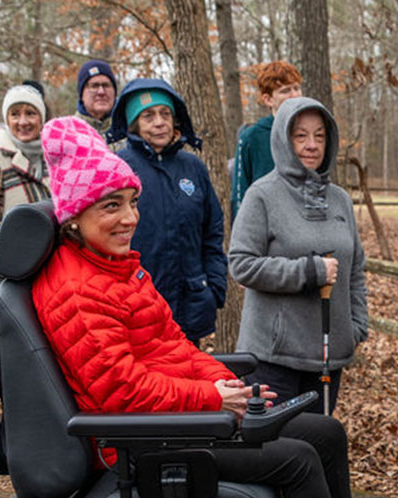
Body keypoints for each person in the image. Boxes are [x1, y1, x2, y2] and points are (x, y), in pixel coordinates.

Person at [32, 116, 398, 498]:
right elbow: (119, 392)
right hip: (142, 442)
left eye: (131, 201)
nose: (130, 218)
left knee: (324, 432)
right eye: (112, 206)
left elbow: (174, 345)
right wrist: (209, 398)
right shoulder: (77, 289)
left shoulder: (116, 267)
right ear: (74, 216)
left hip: (180, 416)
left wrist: (228, 387)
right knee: (297, 459)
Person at [229, 97, 368, 415]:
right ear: (283, 139)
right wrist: (308, 273)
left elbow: (355, 268)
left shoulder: (340, 200)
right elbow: (241, 264)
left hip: (326, 355)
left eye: (320, 136)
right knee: (281, 452)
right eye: (301, 135)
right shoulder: (262, 195)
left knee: (317, 446)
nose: (311, 145)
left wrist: (356, 325)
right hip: (272, 358)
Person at [107, 79, 227, 344]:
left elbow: (212, 231)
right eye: (148, 116)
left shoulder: (192, 167)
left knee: (189, 381)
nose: (159, 122)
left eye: (165, 114)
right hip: (136, 309)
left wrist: (214, 288)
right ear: (133, 123)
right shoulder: (118, 167)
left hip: (190, 305)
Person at [0, 84, 52, 258]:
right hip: (17, 264)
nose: (23, 122)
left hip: (56, 262)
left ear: (41, 117)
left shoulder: (53, 153)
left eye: (30, 113)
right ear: (7, 119)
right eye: (15, 114)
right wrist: (8, 259)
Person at [230, 61, 303, 219]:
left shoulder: (310, 133)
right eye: (285, 91)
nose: (294, 95)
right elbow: (239, 195)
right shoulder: (251, 137)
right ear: (268, 99)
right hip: (265, 226)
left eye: (297, 88)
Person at [74, 59, 117, 136]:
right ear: (82, 94)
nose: (101, 92)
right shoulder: (69, 133)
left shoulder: (130, 132)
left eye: (106, 85)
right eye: (94, 86)